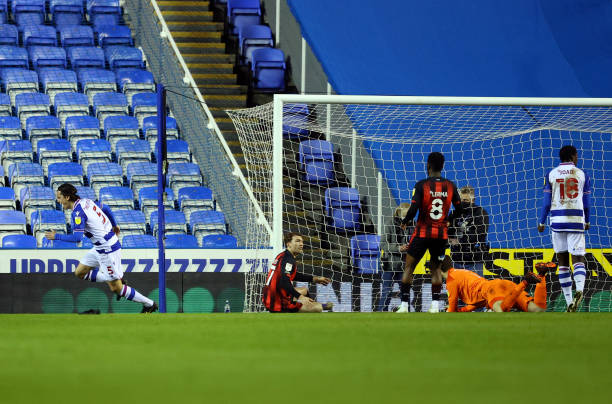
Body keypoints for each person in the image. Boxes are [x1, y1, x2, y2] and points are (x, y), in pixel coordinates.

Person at [45, 183, 158, 313]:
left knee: (116, 288)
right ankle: (116, 277)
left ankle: (149, 304)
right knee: (80, 272)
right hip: (100, 246)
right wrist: (114, 225)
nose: (58, 201)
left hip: (107, 250)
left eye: (59, 198)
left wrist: (56, 236)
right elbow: (107, 208)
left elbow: (77, 238)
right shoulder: (86, 201)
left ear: (67, 197)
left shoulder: (77, 213)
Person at [396, 152, 463, 313]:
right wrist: (449, 219)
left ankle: (404, 306)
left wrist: (405, 222)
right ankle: (435, 306)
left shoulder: (421, 185)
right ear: (442, 166)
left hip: (422, 233)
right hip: (440, 236)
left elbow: (413, 209)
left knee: (409, 268)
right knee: (436, 270)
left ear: (428, 166)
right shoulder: (451, 186)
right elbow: (460, 209)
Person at [538, 145, 591, 312]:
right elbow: (587, 204)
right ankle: (580, 289)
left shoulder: (551, 174)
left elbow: (546, 202)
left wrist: (541, 222)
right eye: (577, 155)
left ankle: (568, 301)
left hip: (557, 221)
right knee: (578, 259)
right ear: (573, 156)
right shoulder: (582, 174)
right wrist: (587, 220)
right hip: (576, 219)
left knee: (562, 261)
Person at [442, 256, 552, 312]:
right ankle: (541, 274)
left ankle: (525, 282)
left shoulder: (451, 279)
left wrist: (449, 311)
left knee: (501, 310)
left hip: (493, 290)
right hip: (504, 286)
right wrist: (460, 310)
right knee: (538, 310)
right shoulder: (460, 273)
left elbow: (451, 309)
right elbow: (476, 303)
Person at [262, 232, 333, 313]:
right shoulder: (288, 259)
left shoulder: (283, 255)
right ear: (289, 244)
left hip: (270, 294)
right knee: (317, 308)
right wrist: (300, 297)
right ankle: (315, 306)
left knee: (304, 290)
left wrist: (314, 279)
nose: (301, 244)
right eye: (297, 241)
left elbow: (293, 275)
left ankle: (306, 305)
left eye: (302, 241)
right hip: (277, 301)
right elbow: (284, 281)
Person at [448, 186, 489, 277]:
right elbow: (447, 232)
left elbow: (480, 233)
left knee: (475, 290)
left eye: (465, 200)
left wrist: (459, 241)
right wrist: (450, 239)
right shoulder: (454, 214)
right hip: (456, 260)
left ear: (473, 200)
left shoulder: (481, 213)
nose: (462, 203)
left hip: (475, 262)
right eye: (460, 200)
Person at [378, 203, 411, 311]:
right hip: (389, 263)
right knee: (387, 291)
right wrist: (398, 248)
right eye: (405, 215)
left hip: (405, 264)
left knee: (405, 291)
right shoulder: (389, 224)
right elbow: (383, 244)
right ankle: (381, 313)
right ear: (399, 213)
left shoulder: (412, 225)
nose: (407, 217)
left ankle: (406, 311)